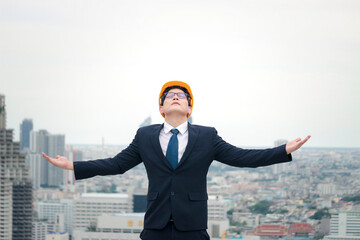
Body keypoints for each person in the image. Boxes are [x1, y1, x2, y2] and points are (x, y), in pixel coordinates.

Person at [42, 80, 311, 240]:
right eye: (169, 96)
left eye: (181, 96)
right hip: (155, 225)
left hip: (192, 226)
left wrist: (282, 150)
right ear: (161, 108)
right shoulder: (145, 136)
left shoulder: (207, 136)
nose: (174, 97)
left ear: (189, 108)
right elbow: (117, 164)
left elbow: (241, 157)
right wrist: (72, 166)